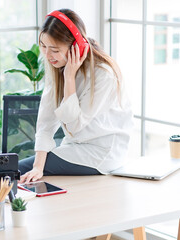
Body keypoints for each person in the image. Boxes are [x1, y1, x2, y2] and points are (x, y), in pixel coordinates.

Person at [19, 9, 134, 183]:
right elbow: (45, 123)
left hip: (101, 153)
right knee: (19, 169)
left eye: (55, 50)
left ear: (77, 47)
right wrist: (37, 166)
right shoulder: (56, 67)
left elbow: (74, 126)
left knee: (14, 170)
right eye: (43, 46)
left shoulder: (103, 75)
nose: (48, 55)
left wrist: (69, 79)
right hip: (75, 147)